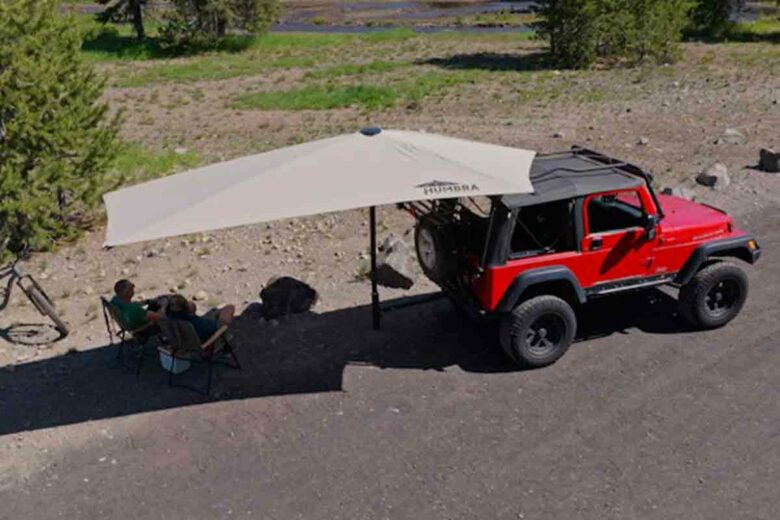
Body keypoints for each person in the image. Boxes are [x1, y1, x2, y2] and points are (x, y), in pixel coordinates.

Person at [166, 294, 235, 343]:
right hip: (208, 335)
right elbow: (210, 327)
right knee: (230, 308)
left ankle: (217, 312)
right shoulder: (191, 323)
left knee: (215, 311)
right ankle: (223, 337)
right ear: (186, 307)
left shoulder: (169, 316)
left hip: (187, 340)